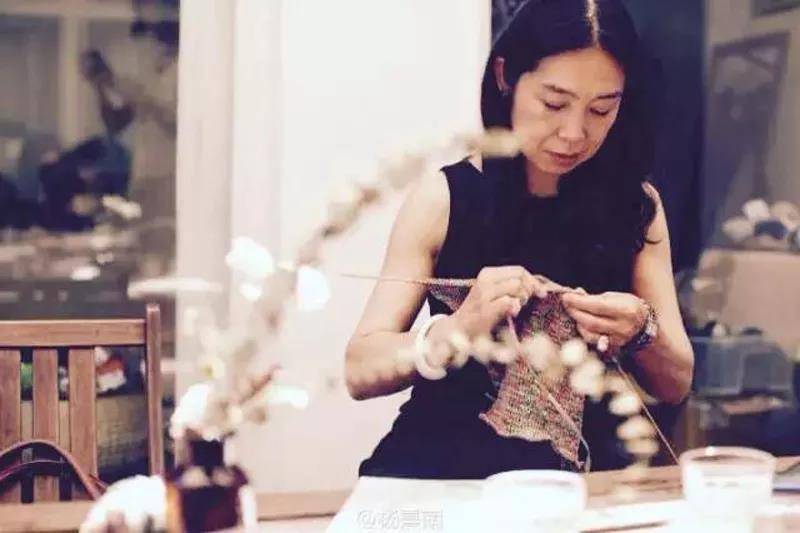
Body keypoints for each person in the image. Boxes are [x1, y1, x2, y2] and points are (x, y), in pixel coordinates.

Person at [345, 0, 694, 479]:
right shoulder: (445, 198)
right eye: (553, 103)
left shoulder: (636, 207)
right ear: (506, 76)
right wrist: (457, 328)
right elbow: (359, 369)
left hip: (581, 487)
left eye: (601, 109)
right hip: (439, 477)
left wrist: (641, 331)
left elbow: (676, 382)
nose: (573, 133)